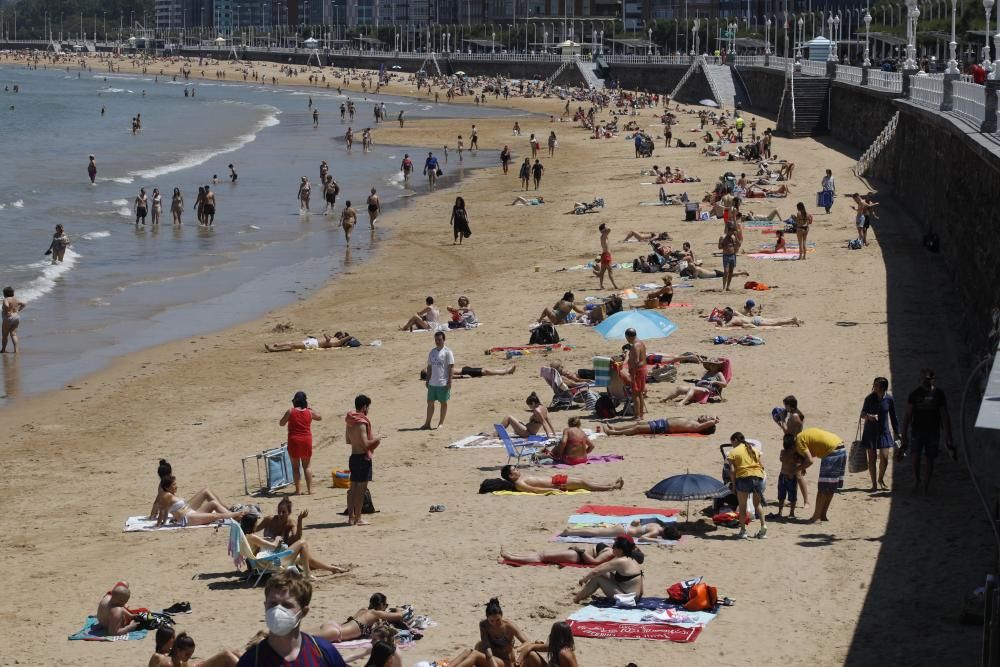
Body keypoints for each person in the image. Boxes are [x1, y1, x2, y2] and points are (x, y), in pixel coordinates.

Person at [236, 571, 347, 667]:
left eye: (286, 605)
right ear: (265, 606)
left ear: (304, 612)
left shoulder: (323, 651)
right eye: (273, 604)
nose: (277, 611)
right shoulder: (251, 661)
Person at [242, 514, 347, 579]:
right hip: (269, 563)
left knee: (304, 557)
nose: (257, 524)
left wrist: (264, 540)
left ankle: (332, 568)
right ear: (252, 525)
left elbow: (257, 545)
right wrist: (277, 539)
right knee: (302, 543)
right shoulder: (252, 537)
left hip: (262, 562)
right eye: (256, 523)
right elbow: (273, 546)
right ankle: (308, 574)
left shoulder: (245, 537)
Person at [901, 368, 955, 493]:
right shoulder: (914, 394)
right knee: (915, 457)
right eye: (925, 379)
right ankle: (917, 480)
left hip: (933, 432)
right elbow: (907, 415)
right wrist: (904, 434)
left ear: (932, 379)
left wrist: (948, 436)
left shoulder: (939, 394)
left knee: (930, 459)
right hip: (917, 431)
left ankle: (926, 485)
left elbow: (944, 415)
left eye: (928, 379)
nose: (926, 381)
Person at [448, 598, 528, 667]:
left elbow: (527, 641)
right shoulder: (483, 625)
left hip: (505, 661)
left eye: (498, 620)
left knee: (475, 654)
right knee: (468, 651)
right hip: (491, 657)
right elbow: (487, 646)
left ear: (501, 615)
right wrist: (492, 661)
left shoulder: (509, 626)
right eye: (491, 621)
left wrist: (516, 649)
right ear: (487, 618)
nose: (495, 623)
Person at [794, 427, 847, 523]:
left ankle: (816, 517)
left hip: (832, 452)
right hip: (841, 447)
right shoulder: (803, 436)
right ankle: (822, 515)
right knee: (830, 487)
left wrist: (797, 469)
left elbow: (810, 461)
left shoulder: (798, 443)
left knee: (822, 488)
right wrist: (803, 466)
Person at [572, 536, 644, 603]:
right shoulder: (630, 559)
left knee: (598, 578)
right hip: (633, 596)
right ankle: (582, 593)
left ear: (620, 550)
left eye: (614, 546)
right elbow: (601, 568)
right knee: (602, 573)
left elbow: (596, 572)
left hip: (628, 599)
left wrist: (584, 579)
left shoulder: (620, 561)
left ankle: (576, 599)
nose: (612, 548)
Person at [317, 593, 411, 643]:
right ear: (381, 604)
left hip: (333, 625)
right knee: (306, 643)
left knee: (306, 642)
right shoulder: (375, 613)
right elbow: (399, 616)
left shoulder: (363, 610)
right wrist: (398, 609)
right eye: (385, 605)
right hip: (336, 632)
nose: (386, 607)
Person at [155, 475, 244, 527]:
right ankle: (235, 515)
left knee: (213, 504)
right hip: (187, 519)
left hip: (192, 513)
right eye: (174, 485)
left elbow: (166, 511)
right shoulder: (166, 496)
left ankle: (234, 516)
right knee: (215, 516)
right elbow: (162, 511)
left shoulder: (171, 495)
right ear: (167, 487)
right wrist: (158, 525)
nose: (176, 486)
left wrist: (165, 521)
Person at [860, 376, 899, 491]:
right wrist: (869, 416)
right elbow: (862, 414)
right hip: (870, 432)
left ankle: (880, 478)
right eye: (874, 385)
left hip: (884, 432)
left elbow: (893, 417)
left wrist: (898, 432)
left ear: (883, 388)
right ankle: (874, 484)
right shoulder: (869, 398)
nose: (874, 387)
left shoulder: (889, 399)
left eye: (876, 385)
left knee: (885, 458)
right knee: (871, 459)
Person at [280, 391, 322, 495]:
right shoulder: (309, 412)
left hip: (294, 440)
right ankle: (310, 490)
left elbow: (281, 423)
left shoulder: (290, 411)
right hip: (306, 440)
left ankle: (298, 490)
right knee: (307, 466)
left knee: (295, 467)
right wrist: (310, 409)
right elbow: (320, 417)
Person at [727, 432, 767, 539]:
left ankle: (743, 530)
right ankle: (764, 527)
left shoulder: (733, 452)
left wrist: (734, 485)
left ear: (735, 440)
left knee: (743, 506)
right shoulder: (754, 449)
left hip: (744, 478)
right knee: (757, 505)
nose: (732, 445)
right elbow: (761, 466)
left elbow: (732, 470)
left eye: (732, 442)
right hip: (758, 477)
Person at [775, 395, 809, 508]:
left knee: (798, 475)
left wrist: (781, 422)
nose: (785, 408)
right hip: (796, 445)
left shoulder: (793, 417)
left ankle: (806, 502)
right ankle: (797, 500)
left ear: (789, 405)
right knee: (796, 475)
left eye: (785, 405)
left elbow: (788, 433)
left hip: (794, 447)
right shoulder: (797, 414)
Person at [148, 627, 239, 667]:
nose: (175, 639)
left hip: (197, 664)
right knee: (226, 655)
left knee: (234, 652)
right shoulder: (159, 657)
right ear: (166, 639)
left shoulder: (176, 653)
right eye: (173, 637)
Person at [500, 465, 623, 492]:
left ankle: (610, 484)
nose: (517, 470)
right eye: (514, 470)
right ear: (511, 476)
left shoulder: (521, 477)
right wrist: (553, 490)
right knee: (585, 484)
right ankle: (613, 486)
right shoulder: (519, 483)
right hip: (556, 484)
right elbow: (534, 489)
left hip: (556, 480)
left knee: (585, 482)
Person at [657, 358, 729, 404]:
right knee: (679, 388)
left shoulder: (718, 373)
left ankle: (681, 403)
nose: (713, 366)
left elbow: (724, 384)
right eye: (711, 365)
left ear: (718, 366)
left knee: (692, 388)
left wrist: (715, 382)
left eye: (715, 365)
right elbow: (702, 380)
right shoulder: (707, 372)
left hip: (709, 391)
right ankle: (665, 399)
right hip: (701, 388)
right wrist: (698, 380)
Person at [423, 331, 453, 429]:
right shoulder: (432, 352)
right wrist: (427, 380)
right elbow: (429, 367)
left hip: (443, 382)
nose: (438, 342)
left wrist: (449, 381)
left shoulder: (448, 352)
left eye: (439, 340)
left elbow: (451, 367)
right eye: (436, 340)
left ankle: (441, 423)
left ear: (444, 340)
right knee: (430, 402)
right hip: (433, 382)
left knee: (443, 403)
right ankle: (427, 423)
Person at [498, 543, 617, 567]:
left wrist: (580, 550)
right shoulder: (614, 550)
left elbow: (593, 562)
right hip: (577, 553)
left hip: (577, 556)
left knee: (541, 557)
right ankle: (512, 555)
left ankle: (511, 558)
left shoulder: (611, 553)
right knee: (542, 554)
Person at [601, 414, 720, 436]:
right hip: (663, 422)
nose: (705, 416)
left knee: (637, 428)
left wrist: (714, 420)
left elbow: (710, 423)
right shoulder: (695, 422)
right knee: (638, 423)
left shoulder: (697, 427)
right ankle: (616, 427)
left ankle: (613, 433)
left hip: (664, 427)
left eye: (707, 418)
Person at [625, 328, 647, 420]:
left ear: (628, 336)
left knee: (635, 393)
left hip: (637, 371)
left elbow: (636, 360)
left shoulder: (635, 345)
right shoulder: (641, 343)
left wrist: (632, 371)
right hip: (642, 369)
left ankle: (637, 415)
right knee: (640, 393)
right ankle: (641, 414)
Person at [265, 332, 358, 352]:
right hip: (313, 341)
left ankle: (274, 349)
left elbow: (350, 336)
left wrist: (347, 337)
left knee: (292, 345)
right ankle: (277, 345)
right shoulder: (336, 339)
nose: (341, 336)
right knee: (292, 343)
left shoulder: (338, 342)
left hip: (314, 344)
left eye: (343, 336)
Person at [719, 307, 802, 328]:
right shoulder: (737, 315)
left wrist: (719, 321)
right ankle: (792, 318)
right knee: (775, 320)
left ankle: (792, 320)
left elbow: (724, 326)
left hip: (756, 322)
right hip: (756, 318)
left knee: (775, 323)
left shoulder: (733, 320)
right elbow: (732, 310)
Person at [1, 286, 25, 354]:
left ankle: (3, 350)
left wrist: (7, 310)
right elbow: (24, 304)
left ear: (4, 294)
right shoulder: (16, 299)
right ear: (12, 293)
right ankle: (16, 350)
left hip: (8, 318)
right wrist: (18, 310)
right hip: (16, 317)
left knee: (5, 335)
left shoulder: (6, 299)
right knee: (14, 334)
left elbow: (6, 305)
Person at [596, 224, 619, 290]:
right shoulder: (603, 235)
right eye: (605, 227)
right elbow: (609, 229)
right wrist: (605, 228)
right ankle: (615, 286)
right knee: (610, 271)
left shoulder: (603, 236)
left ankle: (601, 285)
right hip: (606, 255)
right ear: (603, 230)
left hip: (604, 255)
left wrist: (604, 229)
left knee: (602, 271)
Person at [718, 224, 741, 291]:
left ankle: (728, 286)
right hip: (726, 256)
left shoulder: (733, 237)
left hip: (733, 256)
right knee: (726, 271)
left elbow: (739, 244)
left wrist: (736, 236)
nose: (732, 233)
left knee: (731, 272)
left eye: (733, 232)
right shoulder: (722, 237)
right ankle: (723, 287)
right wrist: (723, 244)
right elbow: (719, 247)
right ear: (728, 231)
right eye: (731, 231)